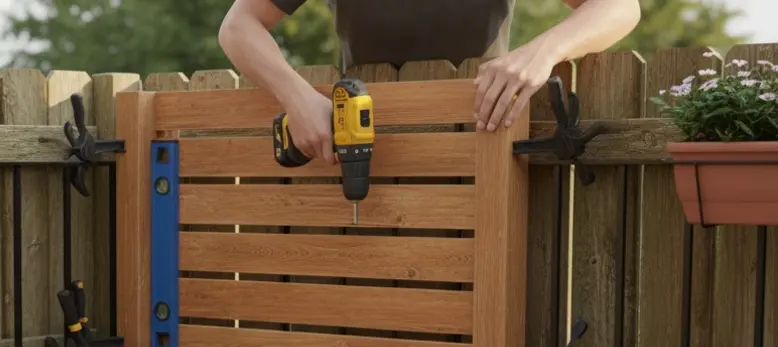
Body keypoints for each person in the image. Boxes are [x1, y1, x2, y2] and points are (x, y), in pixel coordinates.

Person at [217, 0, 642, 159]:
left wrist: (542, 52)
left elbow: (620, 7)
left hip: (481, 146)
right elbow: (239, 26)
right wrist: (298, 98)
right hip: (363, 152)